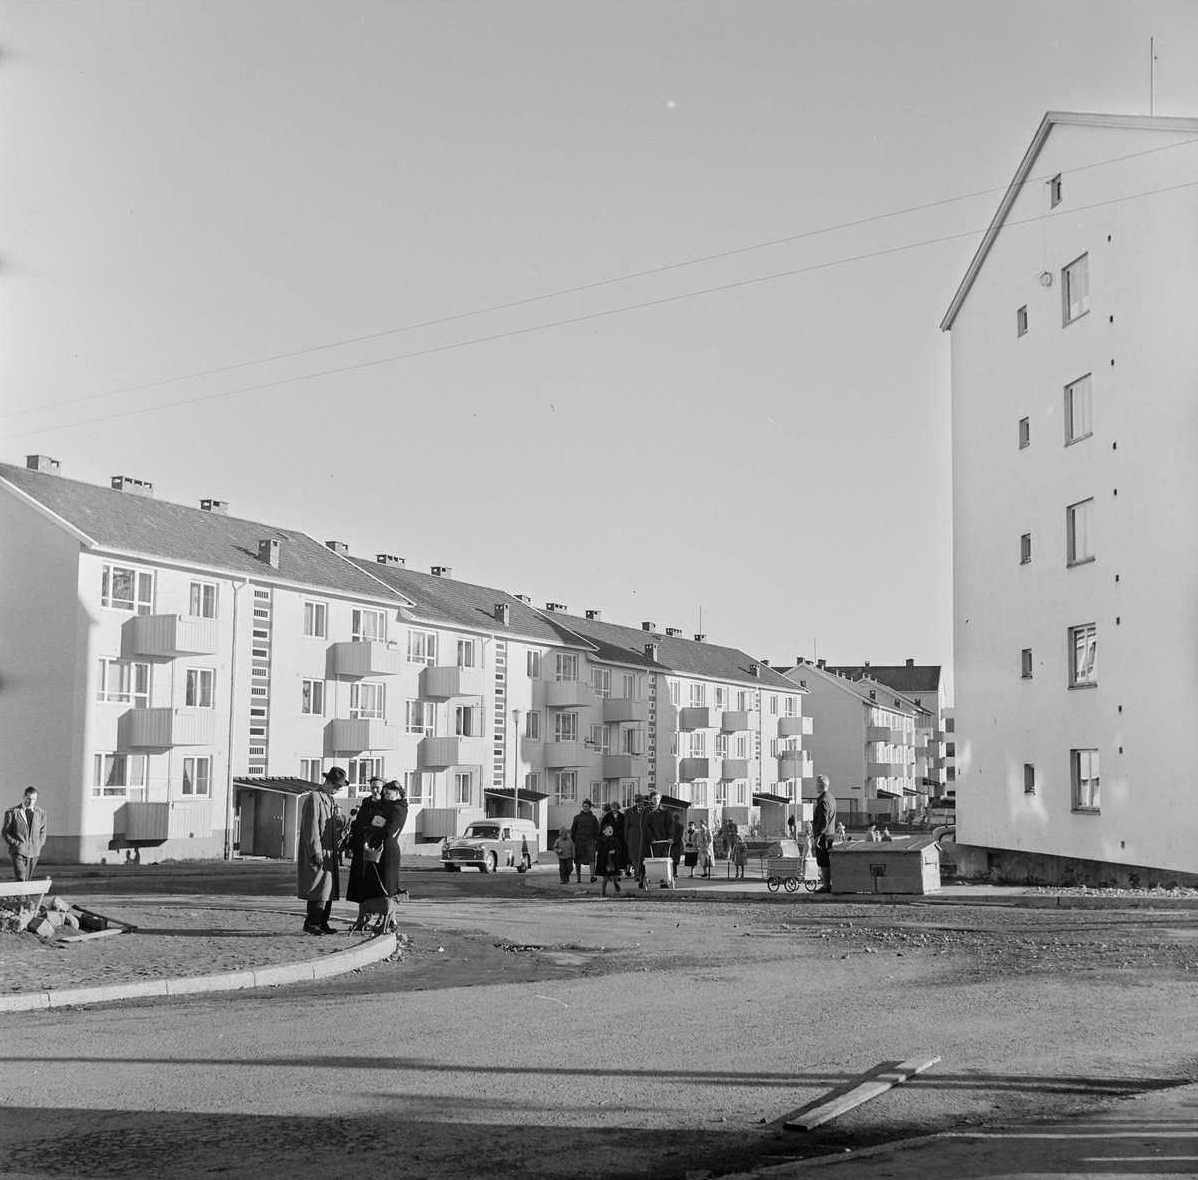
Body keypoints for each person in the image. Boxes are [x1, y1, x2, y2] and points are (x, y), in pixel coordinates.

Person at [346, 779, 408, 924]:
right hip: (376, 849)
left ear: (397, 793)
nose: (384, 795)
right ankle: (375, 917)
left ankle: (389, 919)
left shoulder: (398, 808)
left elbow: (389, 830)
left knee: (387, 885)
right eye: (384, 793)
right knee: (375, 885)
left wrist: (374, 827)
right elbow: (368, 822)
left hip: (386, 851)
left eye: (387, 793)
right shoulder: (379, 805)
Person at [297, 767, 347, 934]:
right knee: (318, 888)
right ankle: (312, 922)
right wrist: (315, 851)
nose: (338, 790)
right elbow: (311, 828)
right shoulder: (315, 798)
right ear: (328, 782)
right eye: (337, 786)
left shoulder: (330, 799)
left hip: (330, 851)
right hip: (319, 852)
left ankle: (323, 921)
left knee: (328, 888)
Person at [3, 786, 47, 881]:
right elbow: (6, 832)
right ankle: (21, 895)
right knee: (21, 877)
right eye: (29, 799)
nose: (31, 802)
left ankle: (23, 896)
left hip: (34, 852)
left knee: (27, 880)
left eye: (34, 799)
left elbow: (43, 831)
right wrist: (17, 844)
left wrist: (39, 844)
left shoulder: (41, 813)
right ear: (24, 797)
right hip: (18, 852)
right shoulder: (12, 812)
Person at [812, 775, 838, 893]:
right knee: (827, 860)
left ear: (820, 785)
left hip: (823, 836)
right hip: (830, 834)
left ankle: (826, 885)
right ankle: (828, 884)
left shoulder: (823, 801)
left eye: (816, 783)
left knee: (823, 861)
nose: (815, 786)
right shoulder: (831, 798)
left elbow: (823, 821)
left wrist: (817, 836)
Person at [570, 799, 600, 883]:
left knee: (591, 859)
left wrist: (595, 840)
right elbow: (573, 830)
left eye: (587, 806)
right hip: (579, 841)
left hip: (590, 841)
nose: (585, 808)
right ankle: (578, 878)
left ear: (590, 807)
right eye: (584, 806)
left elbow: (597, 830)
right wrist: (574, 840)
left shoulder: (593, 818)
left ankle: (592, 877)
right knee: (578, 860)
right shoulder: (577, 818)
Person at [623, 795, 649, 887]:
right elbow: (626, 825)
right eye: (638, 802)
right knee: (633, 856)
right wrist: (626, 837)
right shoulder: (629, 811)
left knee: (641, 856)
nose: (640, 804)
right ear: (636, 802)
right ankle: (637, 874)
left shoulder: (647, 811)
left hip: (642, 835)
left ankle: (639, 874)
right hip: (633, 835)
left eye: (641, 802)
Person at [595, 822, 623, 896]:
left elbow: (619, 849)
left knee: (614, 876)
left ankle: (616, 885)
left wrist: (615, 851)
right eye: (608, 829)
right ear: (604, 831)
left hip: (613, 861)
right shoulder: (600, 840)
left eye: (611, 829)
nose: (610, 830)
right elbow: (599, 850)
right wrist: (607, 852)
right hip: (604, 861)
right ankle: (603, 891)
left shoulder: (615, 839)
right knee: (605, 878)